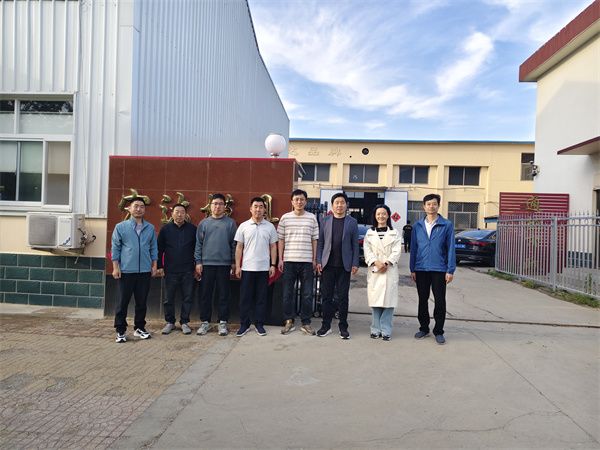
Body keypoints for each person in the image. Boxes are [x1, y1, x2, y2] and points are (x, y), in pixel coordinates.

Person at [409, 193, 456, 345]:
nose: (431, 206)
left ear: (438, 205)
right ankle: (424, 328)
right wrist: (412, 268)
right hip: (421, 268)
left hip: (439, 269)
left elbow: (451, 248)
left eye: (434, 204)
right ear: (424, 206)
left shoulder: (446, 225)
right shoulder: (417, 226)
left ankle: (439, 331)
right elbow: (413, 248)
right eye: (428, 204)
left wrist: (450, 270)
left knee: (440, 301)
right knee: (422, 300)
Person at [111, 198, 158, 343]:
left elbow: (153, 248)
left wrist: (154, 265)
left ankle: (139, 328)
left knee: (141, 302)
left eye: (142, 207)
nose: (139, 209)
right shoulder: (121, 227)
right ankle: (120, 331)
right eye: (136, 206)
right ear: (129, 209)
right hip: (126, 271)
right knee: (122, 302)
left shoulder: (150, 228)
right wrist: (115, 268)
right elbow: (115, 248)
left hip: (144, 271)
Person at [316, 192, 359, 339]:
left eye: (342, 202)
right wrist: (319, 260)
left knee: (343, 297)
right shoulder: (325, 221)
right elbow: (321, 243)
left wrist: (355, 263)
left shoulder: (352, 222)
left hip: (344, 266)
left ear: (346, 205)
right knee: (326, 297)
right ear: (332, 205)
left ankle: (343, 326)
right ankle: (326, 325)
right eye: (337, 203)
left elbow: (355, 244)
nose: (339, 205)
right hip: (327, 265)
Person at [234, 197, 278, 337]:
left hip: (264, 268)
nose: (258, 209)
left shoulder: (270, 227)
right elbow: (239, 247)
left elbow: (273, 247)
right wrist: (238, 266)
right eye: (255, 206)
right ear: (250, 209)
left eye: (261, 206)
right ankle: (244, 324)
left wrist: (273, 265)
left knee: (261, 298)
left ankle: (259, 324)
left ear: (264, 209)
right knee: (245, 298)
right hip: (247, 268)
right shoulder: (244, 226)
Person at [278, 189, 319, 336]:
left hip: (306, 261)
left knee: (307, 294)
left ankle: (305, 322)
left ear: (306, 201)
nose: (299, 202)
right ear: (292, 201)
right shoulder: (285, 218)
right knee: (287, 293)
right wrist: (280, 259)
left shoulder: (312, 218)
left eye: (302, 199)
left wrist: (314, 259)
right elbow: (281, 239)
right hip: (289, 260)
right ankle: (289, 321)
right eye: (296, 199)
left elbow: (314, 240)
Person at [195, 193, 237, 336]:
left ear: (225, 206)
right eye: (215, 204)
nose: (217, 206)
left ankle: (223, 322)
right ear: (210, 206)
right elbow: (198, 244)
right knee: (205, 294)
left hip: (224, 265)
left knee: (224, 294)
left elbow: (233, 244)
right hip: (207, 264)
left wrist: (233, 262)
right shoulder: (204, 223)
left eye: (220, 204)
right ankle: (205, 322)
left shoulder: (230, 223)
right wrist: (198, 262)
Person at [363, 204, 402, 341]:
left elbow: (397, 251)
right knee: (376, 302)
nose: (381, 216)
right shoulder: (369, 233)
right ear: (375, 216)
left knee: (389, 303)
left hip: (389, 270)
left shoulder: (394, 233)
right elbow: (367, 250)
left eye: (384, 213)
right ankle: (375, 329)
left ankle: (386, 330)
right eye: (378, 214)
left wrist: (387, 263)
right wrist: (376, 262)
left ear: (388, 215)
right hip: (375, 271)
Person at [157, 204, 197, 335]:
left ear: (186, 214)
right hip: (170, 270)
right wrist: (160, 266)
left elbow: (197, 249)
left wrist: (197, 266)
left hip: (188, 270)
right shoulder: (165, 229)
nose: (179, 214)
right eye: (177, 212)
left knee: (188, 297)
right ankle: (170, 322)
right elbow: (159, 249)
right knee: (169, 298)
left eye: (182, 212)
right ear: (172, 214)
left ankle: (184, 322)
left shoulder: (192, 229)